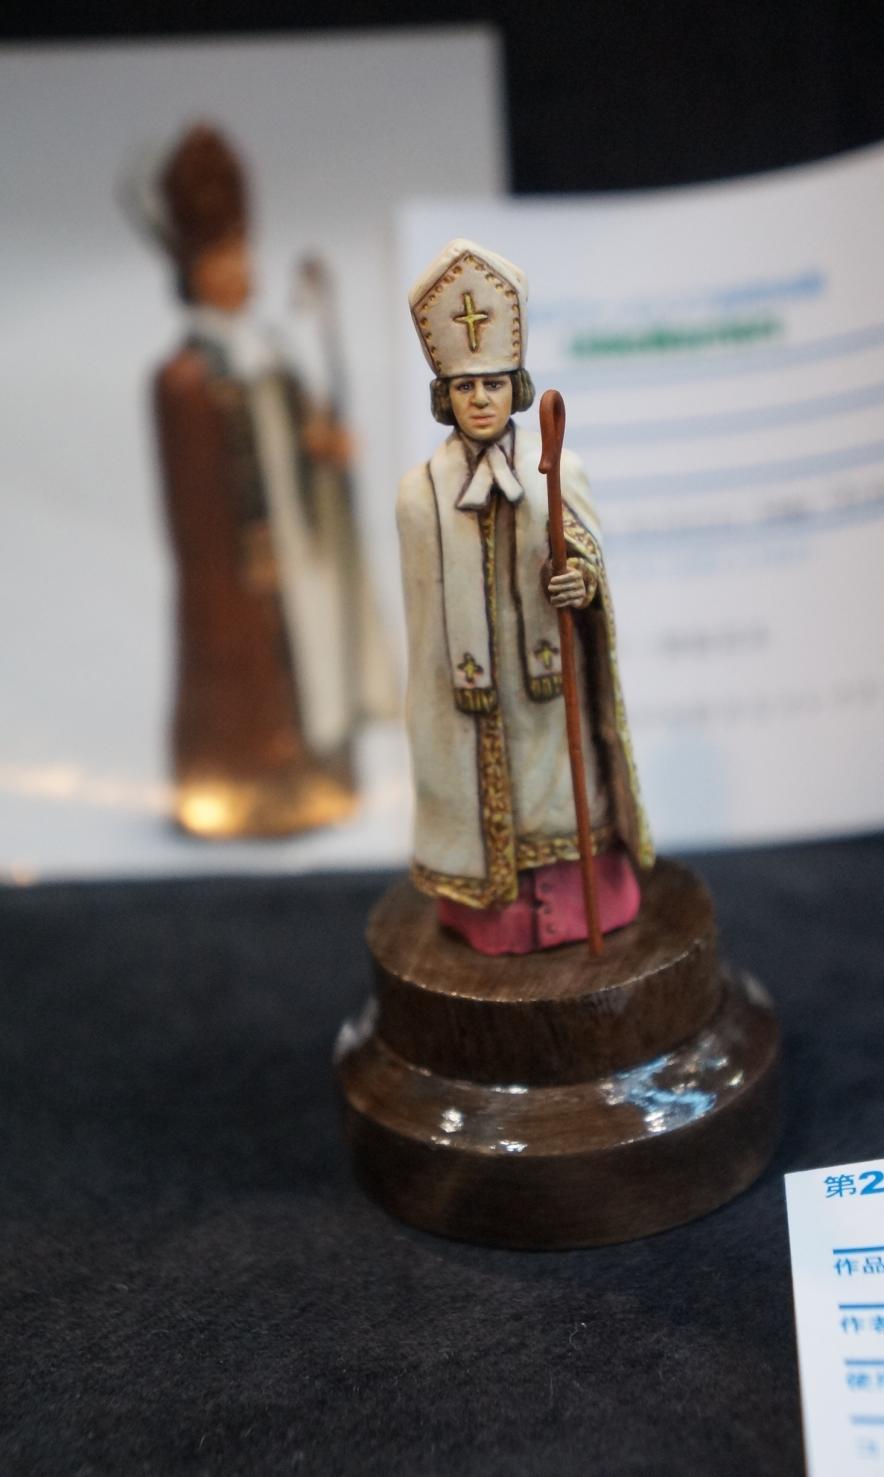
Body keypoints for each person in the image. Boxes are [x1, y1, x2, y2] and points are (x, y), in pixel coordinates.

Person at [123, 123, 390, 838]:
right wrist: (244, 551)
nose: (243, 271)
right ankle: (241, 789)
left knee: (311, 661)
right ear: (194, 271)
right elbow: (191, 499)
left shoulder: (269, 351)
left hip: (296, 548)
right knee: (249, 677)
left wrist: (322, 447)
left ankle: (315, 775)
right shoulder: (183, 380)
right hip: (234, 573)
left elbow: (295, 432)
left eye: (244, 253)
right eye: (225, 258)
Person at [398, 239, 653, 953]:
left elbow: (587, 552)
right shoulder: (420, 494)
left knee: (565, 798)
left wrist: (582, 581)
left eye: (494, 384)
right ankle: (494, 915)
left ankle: (577, 904)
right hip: (470, 701)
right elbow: (422, 617)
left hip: (549, 689)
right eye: (464, 387)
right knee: (483, 810)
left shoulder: (556, 470)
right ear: (444, 398)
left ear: (518, 385)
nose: (480, 399)